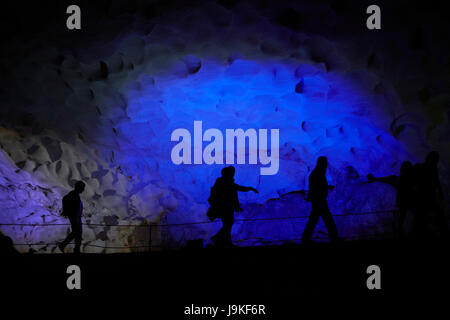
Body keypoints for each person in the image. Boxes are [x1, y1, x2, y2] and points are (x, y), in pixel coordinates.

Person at [208, 166, 258, 247]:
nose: (233, 174)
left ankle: (220, 239)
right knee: (228, 224)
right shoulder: (224, 182)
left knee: (228, 224)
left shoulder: (226, 182)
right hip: (224, 208)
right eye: (232, 173)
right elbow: (234, 190)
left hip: (227, 208)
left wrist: (249, 188)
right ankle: (223, 240)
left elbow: (236, 190)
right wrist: (250, 188)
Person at [367, 161, 415, 237]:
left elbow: (388, 179)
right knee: (402, 218)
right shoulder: (399, 179)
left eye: (408, 169)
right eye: (406, 169)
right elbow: (387, 179)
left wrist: (375, 179)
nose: (406, 171)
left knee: (405, 217)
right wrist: (375, 179)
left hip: (409, 200)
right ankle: (401, 232)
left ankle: (404, 231)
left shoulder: (409, 180)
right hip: (405, 201)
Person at [302, 157, 339, 243]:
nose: (326, 165)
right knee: (327, 220)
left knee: (314, 220)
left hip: (317, 200)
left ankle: (305, 238)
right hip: (320, 200)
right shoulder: (319, 174)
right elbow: (317, 187)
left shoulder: (316, 173)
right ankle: (334, 237)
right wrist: (326, 188)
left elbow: (314, 187)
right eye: (325, 163)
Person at [415, 151, 447, 238]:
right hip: (425, 194)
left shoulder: (431, 168)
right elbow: (435, 181)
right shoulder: (424, 168)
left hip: (428, 194)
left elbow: (436, 181)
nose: (434, 161)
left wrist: (440, 192)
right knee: (429, 213)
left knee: (431, 213)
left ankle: (432, 230)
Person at [58, 181, 85, 254]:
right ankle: (65, 245)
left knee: (77, 233)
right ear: (79, 187)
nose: (83, 190)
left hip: (76, 217)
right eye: (82, 188)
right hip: (75, 217)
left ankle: (75, 249)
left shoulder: (74, 195)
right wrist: (75, 216)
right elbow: (75, 208)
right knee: (76, 232)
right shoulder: (74, 195)